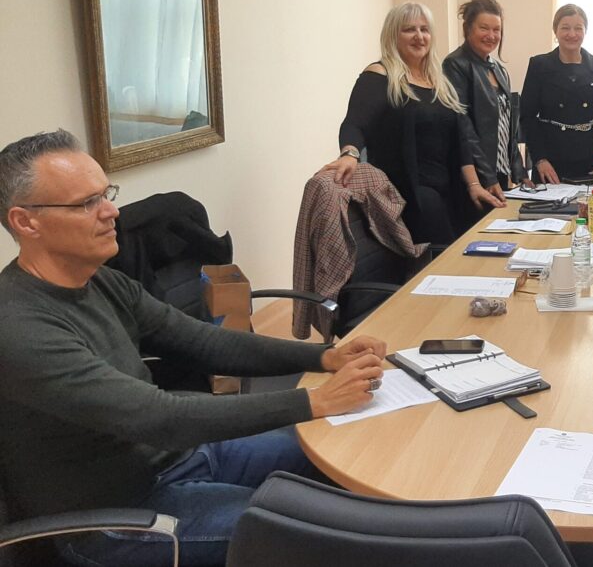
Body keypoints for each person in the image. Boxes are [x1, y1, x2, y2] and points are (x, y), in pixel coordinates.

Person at [0, 130, 388, 566]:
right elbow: (159, 417)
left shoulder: (101, 281)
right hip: (113, 516)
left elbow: (202, 341)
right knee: (327, 534)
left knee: (340, 460)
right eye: (86, 203)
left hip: (179, 458)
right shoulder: (19, 327)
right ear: (26, 222)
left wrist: (323, 357)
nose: (111, 211)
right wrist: (314, 401)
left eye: (106, 194)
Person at [325, 2, 502, 244]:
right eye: (409, 30)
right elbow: (355, 123)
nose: (419, 36)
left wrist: (474, 185)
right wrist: (349, 154)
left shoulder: (438, 80)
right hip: (410, 192)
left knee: (488, 231)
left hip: (449, 187)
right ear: (393, 35)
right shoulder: (381, 74)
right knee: (448, 252)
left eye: (424, 30)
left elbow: (460, 141)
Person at [444, 0, 526, 204]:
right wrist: (486, 176)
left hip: (499, 173)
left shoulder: (498, 69)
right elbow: (463, 127)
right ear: (467, 29)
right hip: (474, 177)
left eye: (497, 29)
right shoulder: (455, 65)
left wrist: (520, 171)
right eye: (484, 28)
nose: (491, 35)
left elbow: (508, 127)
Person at [520, 3, 593, 183]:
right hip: (550, 160)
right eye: (565, 28)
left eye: (578, 28)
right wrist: (539, 159)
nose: (572, 34)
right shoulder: (539, 65)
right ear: (555, 31)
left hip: (590, 158)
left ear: (585, 31)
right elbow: (527, 116)